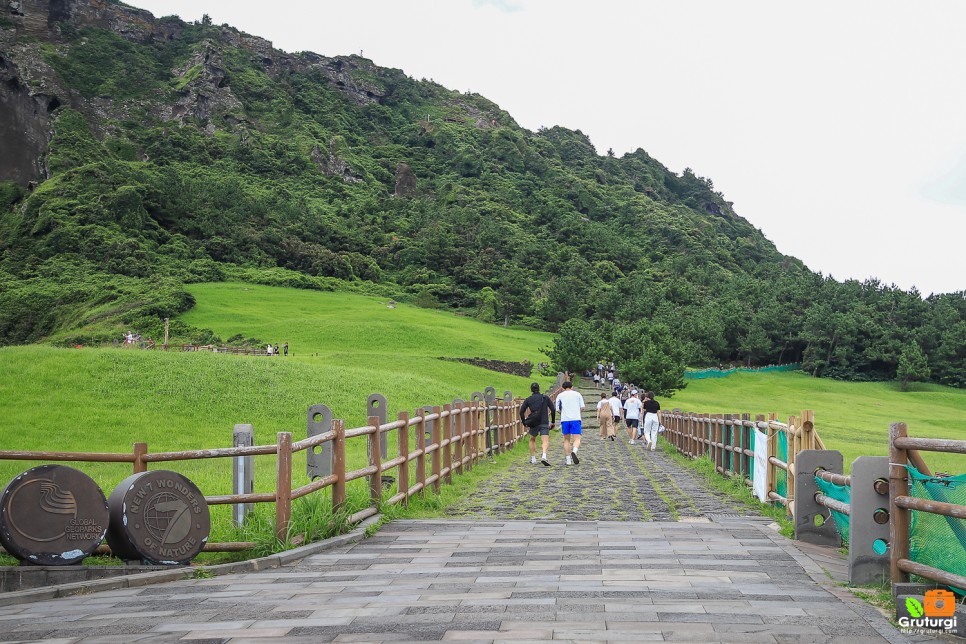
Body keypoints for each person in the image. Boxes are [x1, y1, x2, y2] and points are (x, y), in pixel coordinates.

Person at [519, 382, 555, 466]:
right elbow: (552, 409)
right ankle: (544, 456)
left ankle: (533, 458)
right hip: (544, 421)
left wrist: (524, 422)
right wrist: (552, 421)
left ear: (531, 390)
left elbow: (521, 411)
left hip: (534, 422)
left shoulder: (528, 399)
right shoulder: (545, 398)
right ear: (539, 389)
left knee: (532, 439)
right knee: (545, 440)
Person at [555, 381, 585, 465]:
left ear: (563, 388)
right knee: (577, 439)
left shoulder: (560, 396)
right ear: (572, 387)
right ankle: (574, 451)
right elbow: (582, 407)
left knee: (566, 440)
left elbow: (557, 409)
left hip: (565, 419)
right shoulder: (577, 394)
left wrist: (562, 413)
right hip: (575, 418)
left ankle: (568, 460)